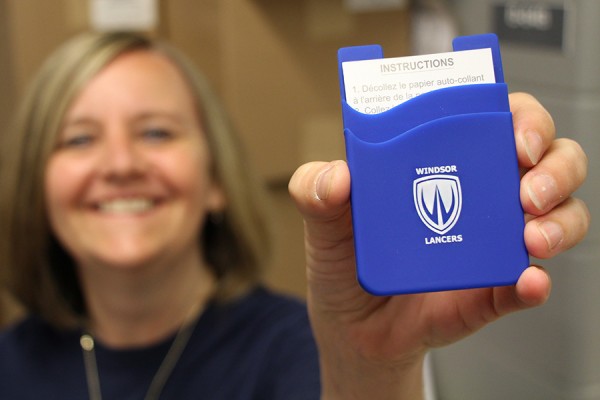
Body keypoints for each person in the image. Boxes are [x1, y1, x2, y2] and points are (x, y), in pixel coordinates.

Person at [0, 31, 590, 400]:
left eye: (156, 132)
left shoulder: (300, 352)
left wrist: (366, 368)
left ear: (216, 181)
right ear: (36, 182)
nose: (121, 163)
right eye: (78, 140)